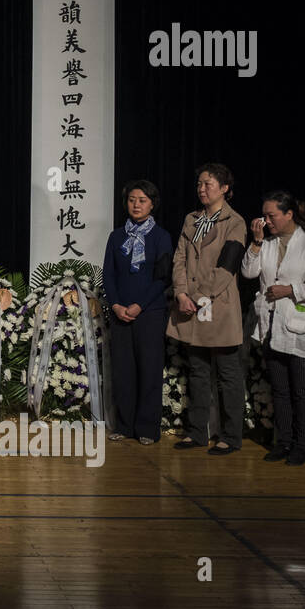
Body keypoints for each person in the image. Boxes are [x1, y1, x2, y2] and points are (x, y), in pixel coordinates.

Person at [242, 191, 305, 466]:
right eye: (264, 216)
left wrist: (289, 290)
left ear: (289, 214)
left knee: (301, 391)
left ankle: (302, 445)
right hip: (270, 327)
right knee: (278, 390)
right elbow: (248, 272)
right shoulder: (266, 244)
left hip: (299, 329)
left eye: (272, 215)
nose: (267, 221)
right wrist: (255, 242)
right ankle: (284, 441)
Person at [167, 163, 249, 454]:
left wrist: (199, 296)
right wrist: (180, 293)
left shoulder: (235, 222)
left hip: (217, 305)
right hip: (189, 304)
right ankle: (197, 432)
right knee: (198, 370)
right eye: (199, 184)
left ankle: (230, 435)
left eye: (208, 184)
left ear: (225, 188)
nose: (202, 189)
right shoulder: (192, 219)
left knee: (227, 373)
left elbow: (227, 266)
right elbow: (179, 258)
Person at [103, 180, 173, 444]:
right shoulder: (116, 236)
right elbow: (108, 274)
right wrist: (117, 305)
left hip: (150, 312)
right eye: (132, 199)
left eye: (142, 200)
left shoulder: (161, 237)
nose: (136, 204)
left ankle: (146, 428)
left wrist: (139, 305)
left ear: (152, 204)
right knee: (123, 371)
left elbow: (162, 277)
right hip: (120, 311)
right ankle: (124, 425)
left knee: (149, 370)